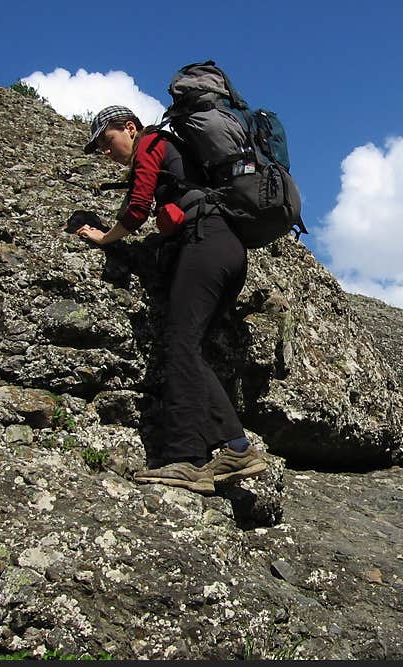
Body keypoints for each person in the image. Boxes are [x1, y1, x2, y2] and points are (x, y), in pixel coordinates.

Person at [76, 105, 267, 495]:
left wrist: (104, 237)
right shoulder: (180, 155)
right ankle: (236, 448)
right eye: (99, 149)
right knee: (191, 349)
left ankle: (187, 460)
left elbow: (137, 208)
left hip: (205, 244)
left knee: (180, 344)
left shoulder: (153, 142)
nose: (106, 153)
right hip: (228, 251)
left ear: (129, 128)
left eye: (107, 142)